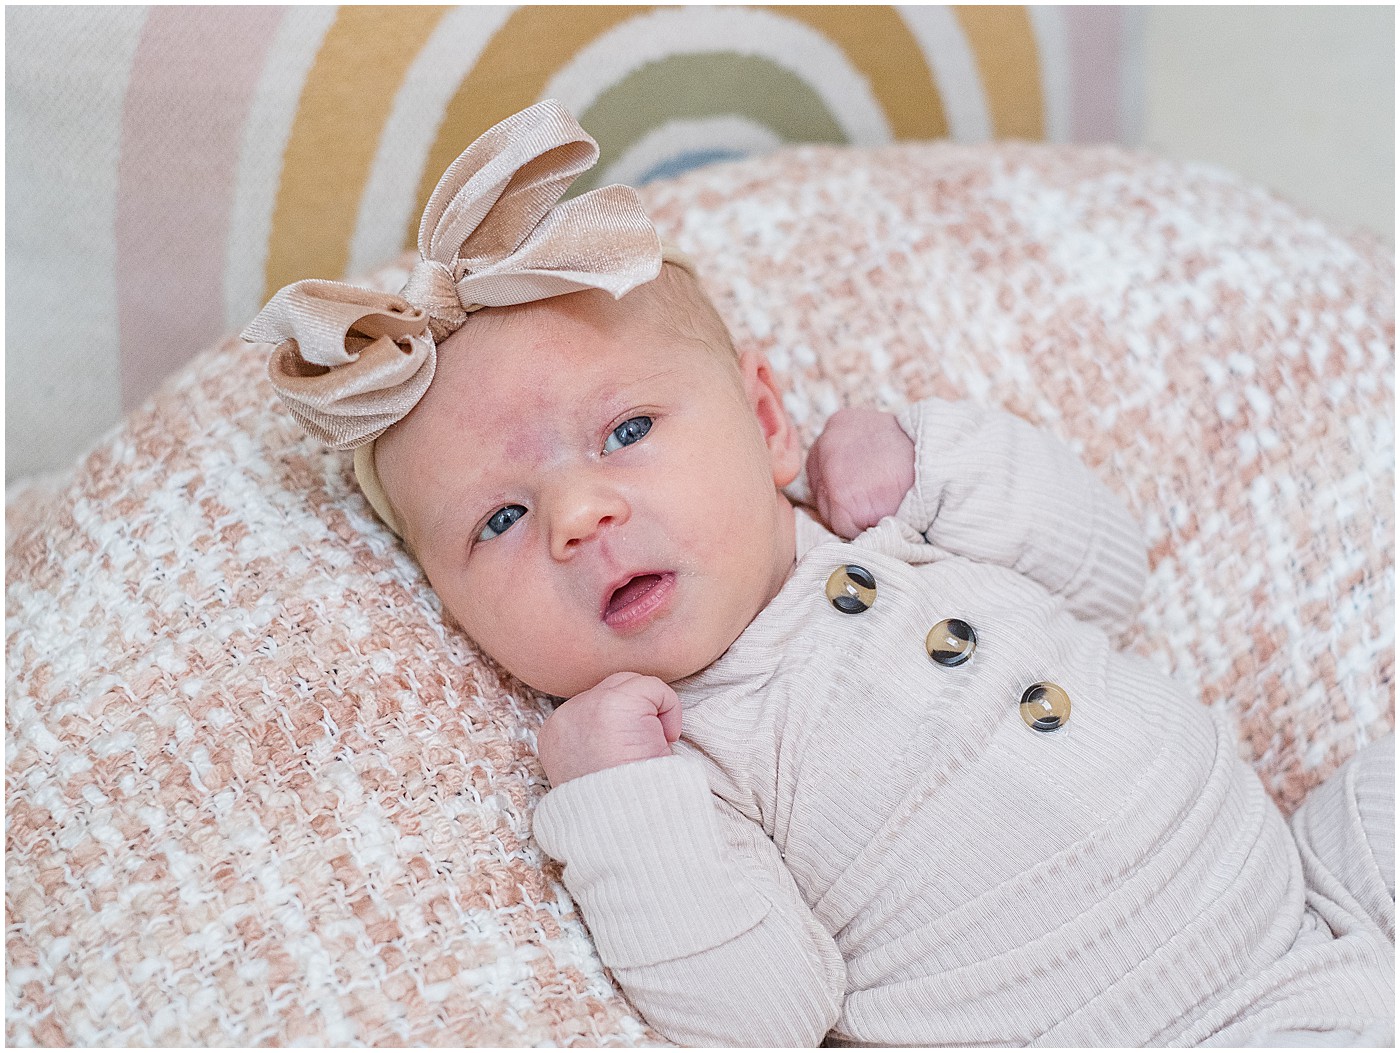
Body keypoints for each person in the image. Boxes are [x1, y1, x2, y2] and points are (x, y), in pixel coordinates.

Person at [245, 100, 1395, 1047]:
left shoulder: (891, 529)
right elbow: (762, 1015)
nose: (579, 514)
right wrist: (619, 806)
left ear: (764, 419)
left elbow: (1106, 577)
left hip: (1303, 884)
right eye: (499, 517)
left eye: (627, 433)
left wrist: (940, 460)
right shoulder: (685, 756)